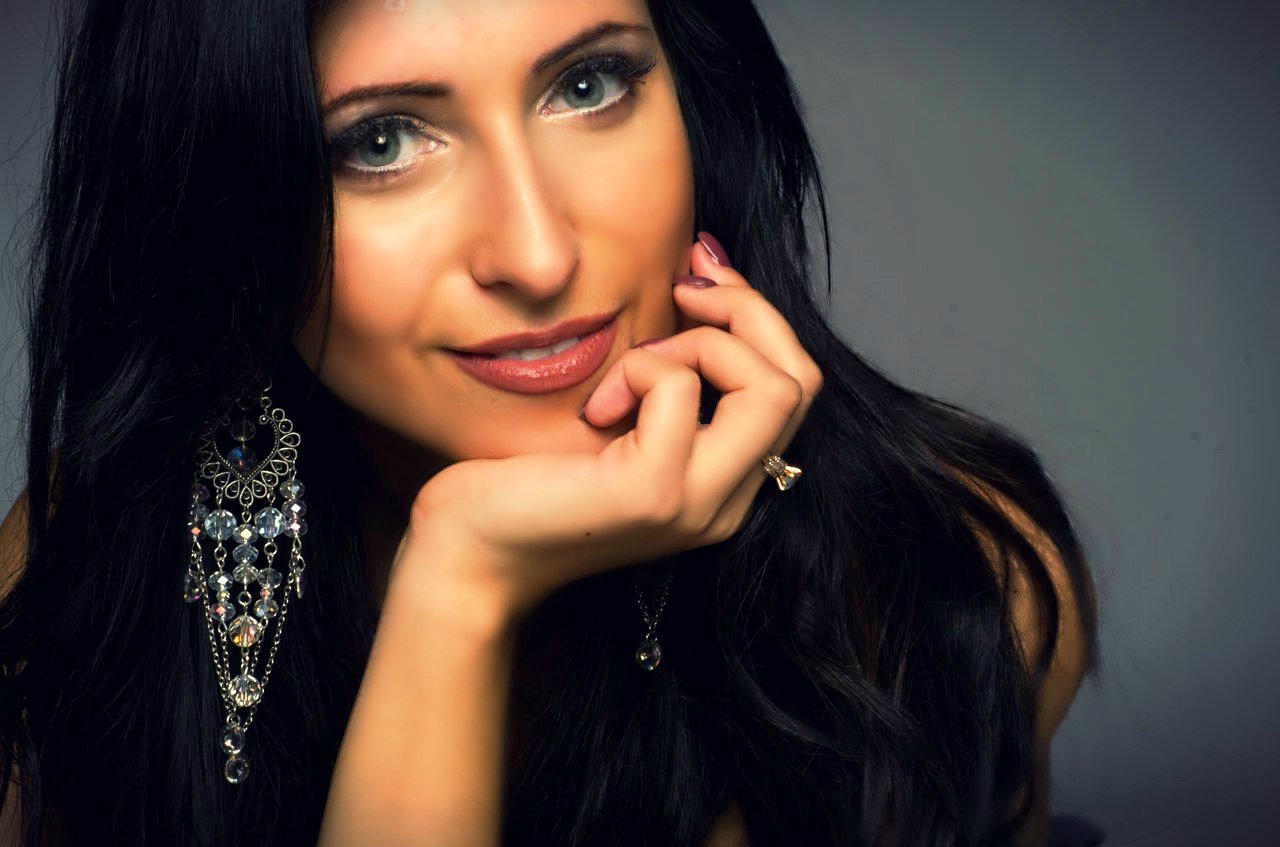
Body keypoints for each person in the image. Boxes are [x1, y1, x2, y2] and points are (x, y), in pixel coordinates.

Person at [0, 0, 1103, 845]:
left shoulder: (939, 583)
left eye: (588, 84)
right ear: (220, 202)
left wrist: (461, 576)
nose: (536, 255)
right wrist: (462, 584)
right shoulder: (85, 568)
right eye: (379, 142)